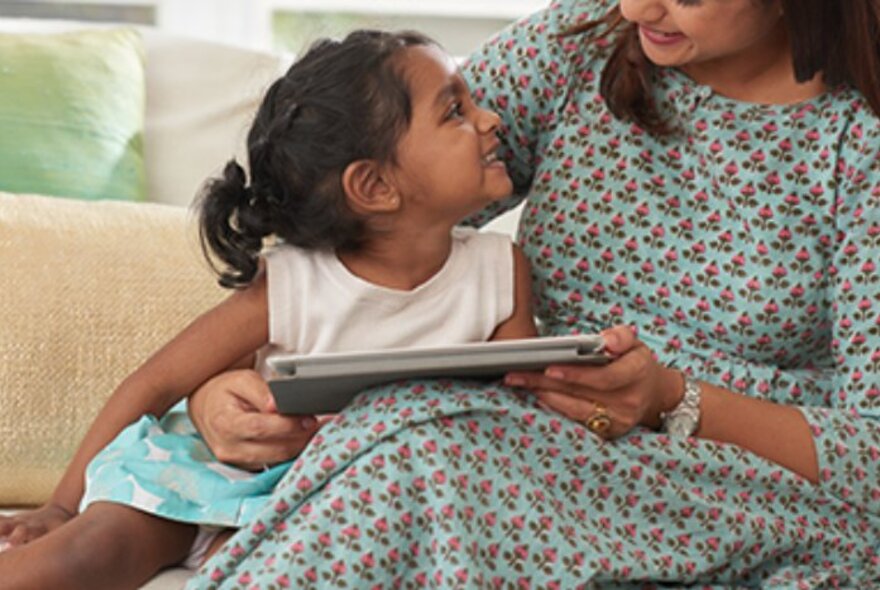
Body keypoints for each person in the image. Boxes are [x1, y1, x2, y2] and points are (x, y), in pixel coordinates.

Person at [182, 0, 880, 587]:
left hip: (744, 489)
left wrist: (671, 398)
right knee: (414, 432)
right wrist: (225, 388)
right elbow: (367, 222)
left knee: (425, 447)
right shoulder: (579, 47)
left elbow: (871, 451)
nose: (637, 8)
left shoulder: (860, 138)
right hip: (538, 448)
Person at [0, 30, 540, 588]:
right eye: (455, 110)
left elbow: (517, 417)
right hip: (210, 474)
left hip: (334, 507)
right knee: (86, 556)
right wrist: (61, 507)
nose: (492, 119)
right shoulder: (292, 281)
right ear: (375, 185)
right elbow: (154, 384)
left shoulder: (500, 271)